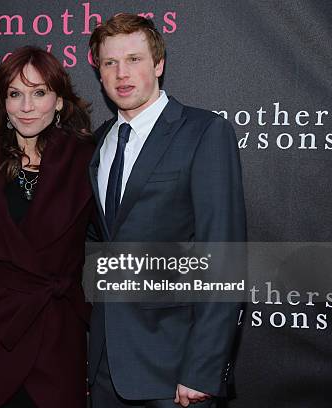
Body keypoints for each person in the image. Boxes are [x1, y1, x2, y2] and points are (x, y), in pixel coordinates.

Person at [87, 14, 246, 408]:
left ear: (158, 64)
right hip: (105, 369)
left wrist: (203, 369)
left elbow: (223, 255)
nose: (122, 73)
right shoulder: (99, 141)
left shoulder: (204, 132)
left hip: (175, 372)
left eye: (134, 59)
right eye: (110, 63)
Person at [0, 46, 95, 408]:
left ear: (59, 101)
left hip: (57, 324)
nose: (27, 106)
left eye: (39, 93)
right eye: (15, 94)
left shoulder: (86, 157)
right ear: (3, 102)